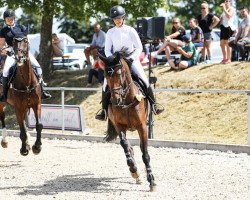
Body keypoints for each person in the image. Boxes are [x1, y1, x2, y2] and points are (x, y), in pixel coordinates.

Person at [95, 5, 164, 121]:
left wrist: (132, 58)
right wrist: (111, 59)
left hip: (132, 58)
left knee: (144, 80)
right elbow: (107, 50)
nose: (117, 20)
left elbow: (139, 47)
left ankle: (154, 105)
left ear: (123, 18)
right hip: (117, 60)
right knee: (106, 83)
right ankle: (104, 111)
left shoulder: (130, 30)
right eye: (115, 19)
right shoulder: (110, 32)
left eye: (119, 18)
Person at [0, 9, 51, 102]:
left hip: (23, 51)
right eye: (7, 19)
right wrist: (6, 51)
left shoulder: (21, 27)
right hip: (11, 52)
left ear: (14, 18)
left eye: (11, 18)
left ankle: (43, 90)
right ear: (5, 20)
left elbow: (27, 41)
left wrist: (25, 50)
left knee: (38, 67)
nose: (10, 20)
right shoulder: (3, 30)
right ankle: (5, 94)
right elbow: (1, 45)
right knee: (5, 71)